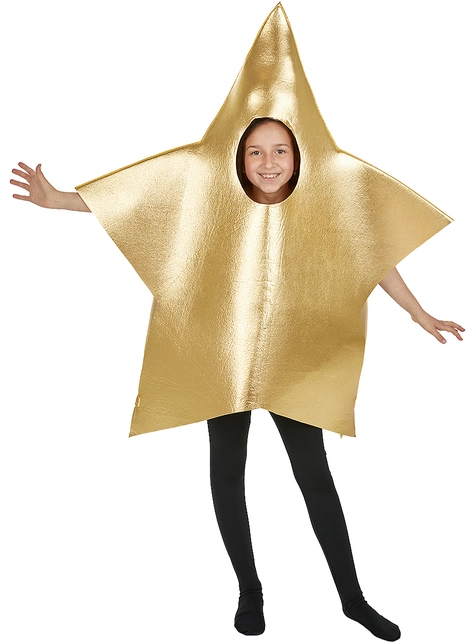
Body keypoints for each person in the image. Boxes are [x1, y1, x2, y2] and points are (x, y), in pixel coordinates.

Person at [10, 118, 464, 641]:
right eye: (255, 152)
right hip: (223, 357)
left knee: (315, 477)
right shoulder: (213, 199)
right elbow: (144, 200)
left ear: (297, 156)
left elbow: (372, 255)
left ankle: (352, 599)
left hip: (294, 363)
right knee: (227, 472)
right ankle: (250, 591)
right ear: (240, 158)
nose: (268, 163)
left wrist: (418, 313)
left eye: (279, 151)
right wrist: (59, 200)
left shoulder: (324, 206)